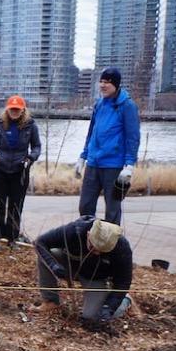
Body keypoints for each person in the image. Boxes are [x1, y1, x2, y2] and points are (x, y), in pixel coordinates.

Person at [34, 217, 133, 329]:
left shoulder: (121, 247)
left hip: (96, 278)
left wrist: (108, 308)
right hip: (71, 265)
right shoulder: (75, 230)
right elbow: (39, 242)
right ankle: (50, 301)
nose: (96, 253)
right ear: (88, 234)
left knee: (92, 317)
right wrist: (53, 265)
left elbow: (123, 282)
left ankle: (126, 301)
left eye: (102, 251)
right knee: (50, 253)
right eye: (92, 247)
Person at [77, 67, 140, 224]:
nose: (103, 85)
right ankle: (87, 242)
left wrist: (129, 165)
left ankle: (111, 246)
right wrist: (83, 156)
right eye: (102, 81)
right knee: (85, 206)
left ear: (116, 85)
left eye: (108, 83)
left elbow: (133, 137)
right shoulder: (99, 104)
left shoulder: (127, 106)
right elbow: (91, 132)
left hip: (113, 165)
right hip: (93, 163)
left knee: (112, 210)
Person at [0, 95, 41, 251]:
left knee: (15, 207)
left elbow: (36, 146)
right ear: (7, 109)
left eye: (17, 109)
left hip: (20, 171)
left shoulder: (31, 126)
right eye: (12, 109)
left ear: (23, 110)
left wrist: (30, 158)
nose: (14, 112)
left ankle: (12, 238)